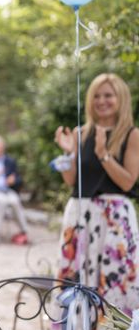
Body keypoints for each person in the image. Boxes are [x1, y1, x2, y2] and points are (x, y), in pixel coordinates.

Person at [54, 73, 139, 313]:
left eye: (108, 95)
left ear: (120, 98)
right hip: (80, 213)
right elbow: (72, 181)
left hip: (114, 219)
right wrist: (69, 153)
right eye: (97, 96)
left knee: (114, 280)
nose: (102, 101)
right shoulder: (81, 134)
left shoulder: (132, 135)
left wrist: (103, 153)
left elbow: (127, 182)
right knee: (77, 278)